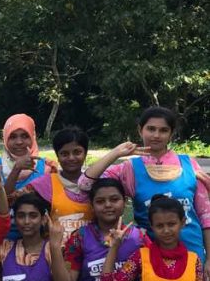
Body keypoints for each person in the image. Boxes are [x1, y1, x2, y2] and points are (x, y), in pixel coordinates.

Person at [80, 106, 210, 265]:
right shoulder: (130, 169)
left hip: (192, 253)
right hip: (151, 256)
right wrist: (116, 153)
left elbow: (206, 216)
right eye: (151, 129)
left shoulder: (189, 165)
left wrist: (209, 258)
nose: (156, 135)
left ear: (171, 134)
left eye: (163, 130)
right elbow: (85, 184)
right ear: (140, 130)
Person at [25, 127, 93, 244]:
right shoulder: (44, 184)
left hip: (91, 254)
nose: (71, 158)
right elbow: (10, 203)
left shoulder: (96, 184)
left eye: (77, 152)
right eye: (64, 154)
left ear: (85, 153)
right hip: (54, 254)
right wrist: (16, 170)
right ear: (57, 156)